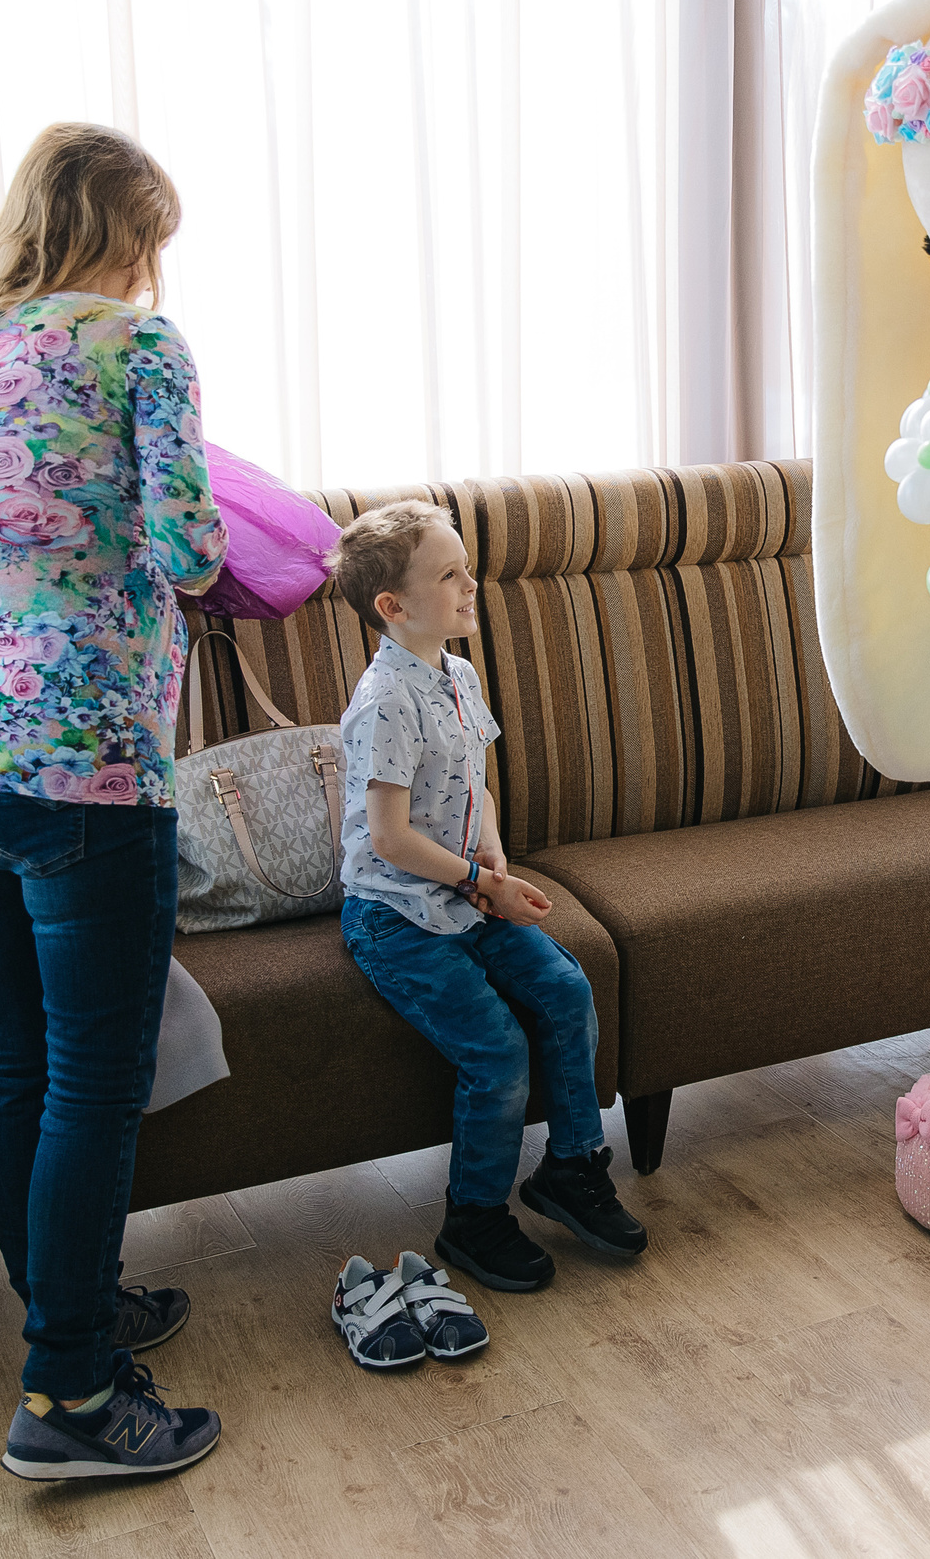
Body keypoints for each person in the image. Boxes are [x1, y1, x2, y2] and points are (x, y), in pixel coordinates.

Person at [0, 122, 229, 1481]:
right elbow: (191, 546)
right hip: (80, 762)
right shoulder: (139, 347)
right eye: (151, 243)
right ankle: (72, 1395)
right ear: (126, 232)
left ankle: (66, 1307)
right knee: (95, 1076)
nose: (153, 270)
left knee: (24, 1061)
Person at [329, 500, 646, 1294]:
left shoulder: (458, 673)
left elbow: (477, 783)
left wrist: (496, 862)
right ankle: (472, 1218)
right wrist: (482, 883)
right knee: (496, 1050)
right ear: (392, 607)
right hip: (399, 914)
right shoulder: (383, 700)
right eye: (450, 574)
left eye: (466, 567)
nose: (472, 584)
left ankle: (572, 1167)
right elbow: (392, 839)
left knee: (566, 989)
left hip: (471, 891)